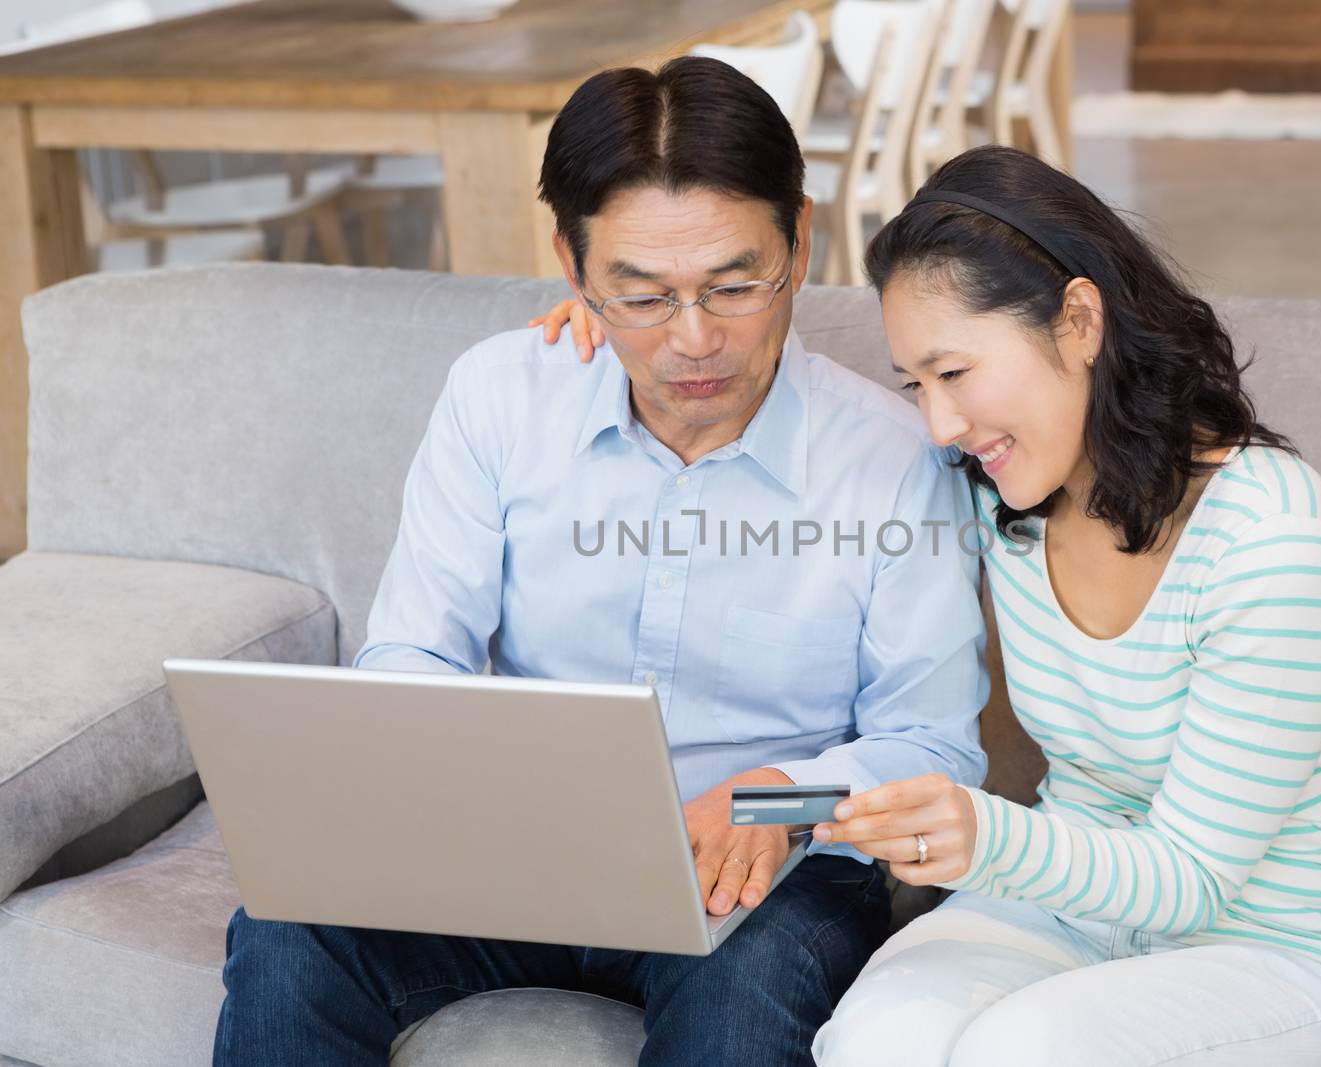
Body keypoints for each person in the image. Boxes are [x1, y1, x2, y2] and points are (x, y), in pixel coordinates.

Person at [541, 145, 1321, 1066]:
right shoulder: (1007, 501)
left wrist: (980, 831)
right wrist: (616, 334)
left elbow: (1189, 879)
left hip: (1280, 952)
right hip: (1074, 909)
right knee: (872, 1042)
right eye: (918, 385)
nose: (938, 425)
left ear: (1078, 320)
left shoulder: (1274, 540)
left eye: (955, 373)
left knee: (1023, 1049)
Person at [211, 58, 988, 1067]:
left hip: (766, 880)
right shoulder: (499, 396)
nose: (694, 340)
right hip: (509, 856)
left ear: (800, 240)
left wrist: (772, 795)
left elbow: (936, 744)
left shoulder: (894, 454)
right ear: (573, 270)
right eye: (642, 295)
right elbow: (412, 652)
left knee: (742, 1012)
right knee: (285, 929)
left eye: (734, 284)